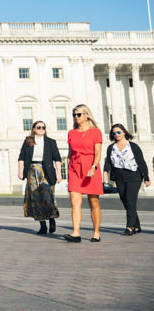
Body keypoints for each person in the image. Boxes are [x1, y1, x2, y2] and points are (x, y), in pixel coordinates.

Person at [103, 123, 150, 235]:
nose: (116, 134)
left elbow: (141, 162)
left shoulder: (133, 146)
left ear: (124, 132)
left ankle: (129, 227)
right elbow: (108, 162)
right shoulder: (111, 148)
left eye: (118, 132)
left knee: (129, 199)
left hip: (134, 175)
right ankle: (137, 226)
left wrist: (146, 177)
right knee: (126, 201)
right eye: (114, 133)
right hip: (119, 177)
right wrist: (105, 174)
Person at [65, 104, 103, 242]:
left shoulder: (95, 132)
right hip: (75, 168)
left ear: (86, 115)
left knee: (93, 202)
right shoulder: (71, 133)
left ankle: (96, 232)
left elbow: (98, 152)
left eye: (79, 114)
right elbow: (70, 152)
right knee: (75, 202)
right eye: (74, 114)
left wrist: (94, 166)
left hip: (90, 167)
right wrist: (69, 167)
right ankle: (76, 233)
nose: (76, 117)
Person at [18, 120, 62, 234]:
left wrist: (59, 173)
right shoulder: (28, 141)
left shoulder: (51, 142)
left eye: (43, 127)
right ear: (33, 129)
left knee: (48, 196)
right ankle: (42, 225)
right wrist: (20, 171)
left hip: (47, 171)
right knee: (36, 198)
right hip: (32, 170)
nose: (41, 129)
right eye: (39, 127)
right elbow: (21, 156)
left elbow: (57, 158)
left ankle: (52, 218)